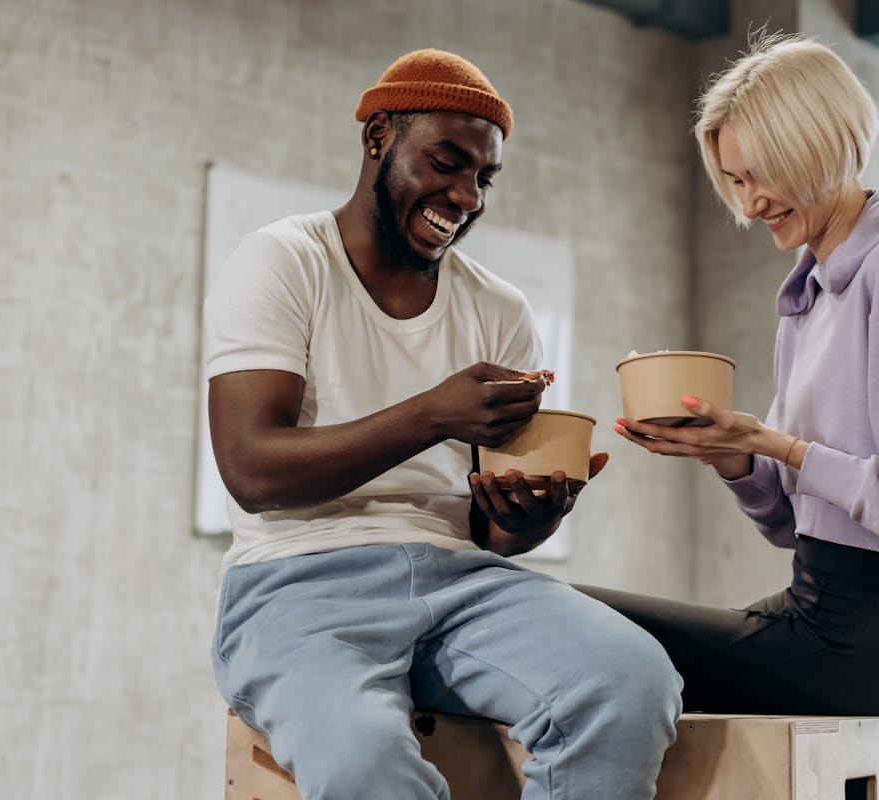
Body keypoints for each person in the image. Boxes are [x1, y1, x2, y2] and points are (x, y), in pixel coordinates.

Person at [204, 49, 682, 800]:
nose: (466, 195)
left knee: (630, 679)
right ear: (378, 140)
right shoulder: (283, 261)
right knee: (363, 760)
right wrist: (432, 414)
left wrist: (527, 517)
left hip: (463, 580)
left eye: (484, 177)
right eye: (447, 162)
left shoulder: (500, 310)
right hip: (297, 583)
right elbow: (251, 469)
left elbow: (493, 536)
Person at [583, 34, 879, 716]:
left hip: (868, 637)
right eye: (736, 181)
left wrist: (781, 446)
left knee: (578, 624)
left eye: (761, 175)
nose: (749, 206)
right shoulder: (807, 299)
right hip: (819, 613)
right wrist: (734, 458)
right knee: (569, 628)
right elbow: (789, 522)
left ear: (818, 147)